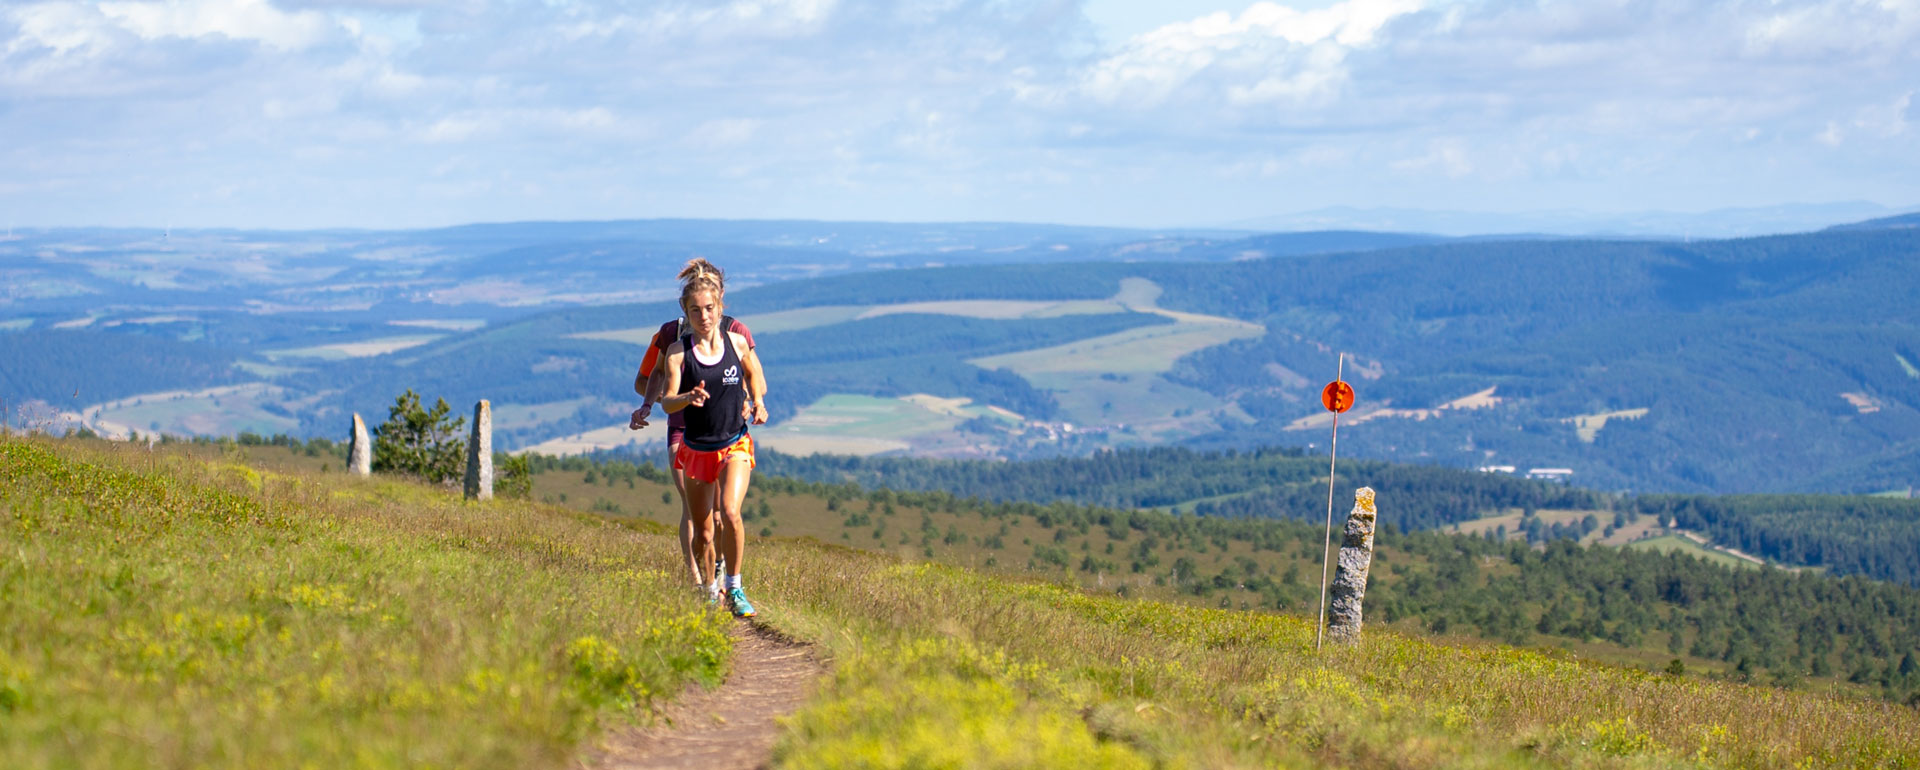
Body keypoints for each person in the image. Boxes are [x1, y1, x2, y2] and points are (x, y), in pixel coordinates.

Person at [631, 260, 761, 601]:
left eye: (710, 304)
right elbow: (650, 378)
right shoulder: (670, 336)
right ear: (686, 306)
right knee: (697, 513)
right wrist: (651, 404)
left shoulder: (738, 333)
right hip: (684, 431)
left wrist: (752, 401)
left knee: (724, 513)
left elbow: (749, 375)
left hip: (728, 433)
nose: (704, 314)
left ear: (719, 300)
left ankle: (722, 576)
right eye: (695, 307)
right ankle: (700, 581)